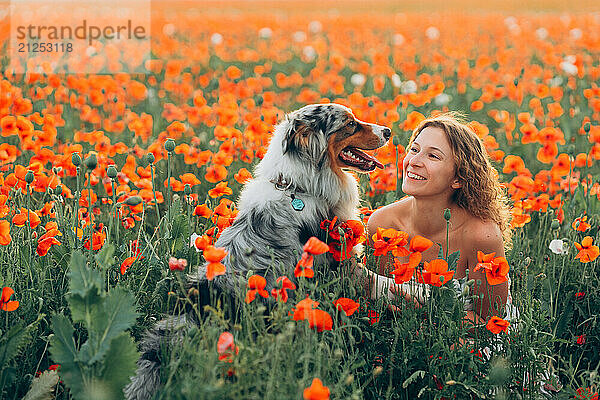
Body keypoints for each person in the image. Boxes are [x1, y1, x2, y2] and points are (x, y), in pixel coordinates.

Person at [357, 112, 516, 326]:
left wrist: (428, 318)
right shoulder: (383, 224)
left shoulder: (481, 235)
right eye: (414, 150)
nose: (414, 161)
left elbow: (488, 321)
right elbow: (376, 304)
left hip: (469, 340)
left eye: (433, 156)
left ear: (458, 178)